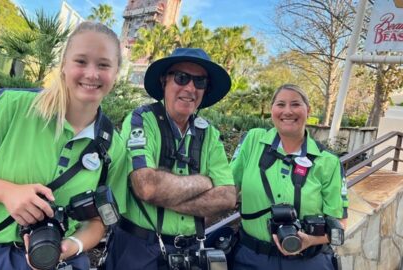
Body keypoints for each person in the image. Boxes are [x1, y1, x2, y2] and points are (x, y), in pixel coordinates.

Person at [0, 21, 128, 270]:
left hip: (56, 262)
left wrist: (73, 246)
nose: (92, 74)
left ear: (116, 73)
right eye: (81, 61)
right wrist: (6, 192)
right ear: (63, 66)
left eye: (103, 65)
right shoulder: (11, 107)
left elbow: (99, 220)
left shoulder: (114, 146)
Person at [105, 48, 237, 270]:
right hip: (138, 249)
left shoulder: (209, 134)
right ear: (164, 81)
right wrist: (204, 182)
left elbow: (227, 197)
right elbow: (146, 187)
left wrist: (164, 195)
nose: (190, 88)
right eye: (181, 77)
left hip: (192, 251)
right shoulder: (142, 119)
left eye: (200, 81)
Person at [230, 84, 348, 270]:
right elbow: (228, 188)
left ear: (308, 110)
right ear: (272, 110)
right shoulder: (253, 141)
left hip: (308, 262)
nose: (287, 111)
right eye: (280, 104)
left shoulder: (328, 162)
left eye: (295, 104)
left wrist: (310, 240)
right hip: (251, 258)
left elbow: (339, 221)